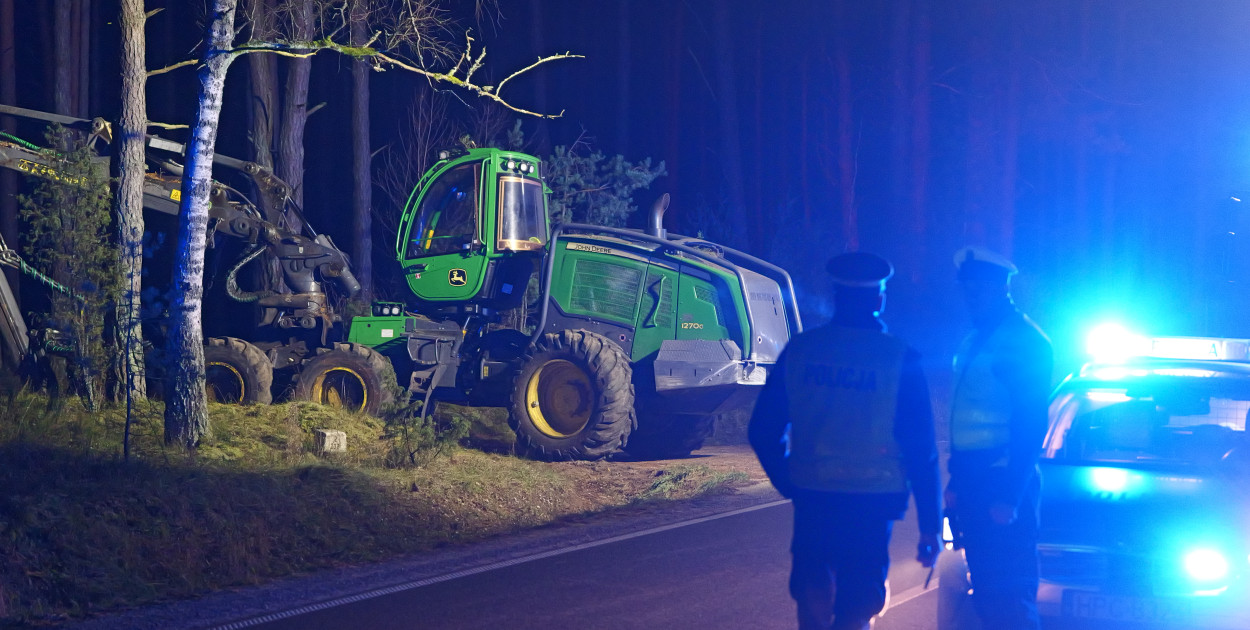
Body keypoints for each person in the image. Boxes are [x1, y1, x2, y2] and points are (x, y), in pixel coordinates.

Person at [749, 252, 942, 630]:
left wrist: (788, 480)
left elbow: (761, 430)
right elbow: (922, 450)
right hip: (872, 503)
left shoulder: (802, 351)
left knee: (814, 594)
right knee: (858, 603)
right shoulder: (900, 358)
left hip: (814, 497)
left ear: (836, 295)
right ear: (879, 299)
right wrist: (930, 527)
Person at [946, 246, 1053, 630]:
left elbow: (1030, 425)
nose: (968, 298)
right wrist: (956, 482)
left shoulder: (1023, 341)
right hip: (976, 483)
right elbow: (967, 423)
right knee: (989, 595)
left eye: (976, 291)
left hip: (1002, 483)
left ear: (999, 290)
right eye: (966, 290)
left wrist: (1009, 496)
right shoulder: (975, 338)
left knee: (1010, 599)